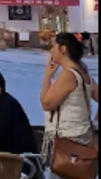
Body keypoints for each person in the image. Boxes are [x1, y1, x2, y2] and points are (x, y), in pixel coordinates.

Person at [40, 32, 99, 179]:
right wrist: (95, 122)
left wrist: (47, 76)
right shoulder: (83, 74)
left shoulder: (68, 75)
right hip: (82, 138)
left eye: (53, 46)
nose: (50, 51)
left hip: (67, 142)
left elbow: (46, 103)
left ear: (63, 49)